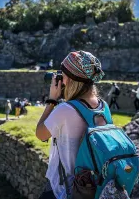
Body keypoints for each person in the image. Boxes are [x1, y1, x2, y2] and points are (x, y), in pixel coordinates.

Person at [35, 51, 106, 199]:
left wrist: (52, 100)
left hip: (63, 190)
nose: (61, 80)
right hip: (90, 188)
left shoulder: (66, 110)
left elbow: (40, 134)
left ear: (73, 80)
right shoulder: (104, 107)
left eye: (63, 75)